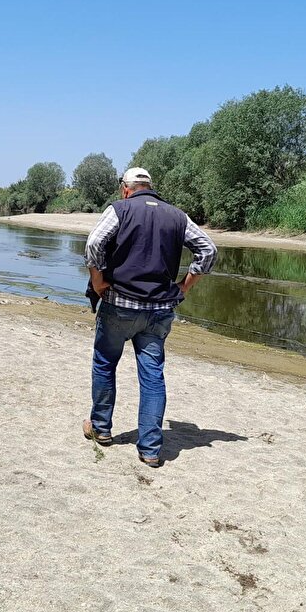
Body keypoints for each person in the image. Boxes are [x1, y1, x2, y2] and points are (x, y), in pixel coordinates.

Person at [82, 167, 217, 468]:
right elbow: (208, 250)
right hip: (158, 311)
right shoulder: (178, 216)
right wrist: (185, 287)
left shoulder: (120, 209)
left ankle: (101, 430)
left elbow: (94, 243)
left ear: (126, 188)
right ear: (149, 187)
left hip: (119, 304)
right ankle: (151, 449)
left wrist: (97, 281)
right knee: (152, 374)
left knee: (105, 364)